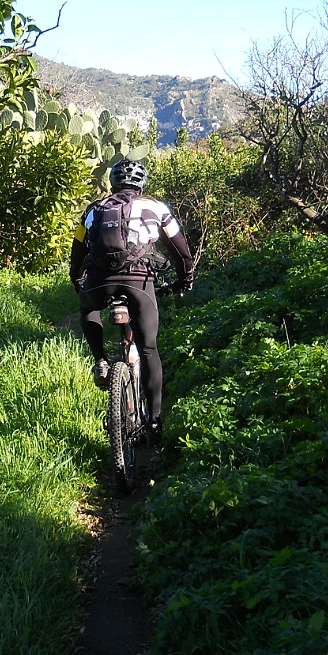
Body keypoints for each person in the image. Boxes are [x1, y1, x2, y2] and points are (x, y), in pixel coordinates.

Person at [69, 159, 194, 444]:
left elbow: (77, 252)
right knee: (149, 348)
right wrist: (185, 279)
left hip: (99, 283)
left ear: (113, 183)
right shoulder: (157, 207)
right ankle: (154, 420)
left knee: (88, 307)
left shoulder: (93, 210)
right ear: (141, 184)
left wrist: (77, 280)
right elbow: (181, 250)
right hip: (139, 283)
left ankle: (100, 359)